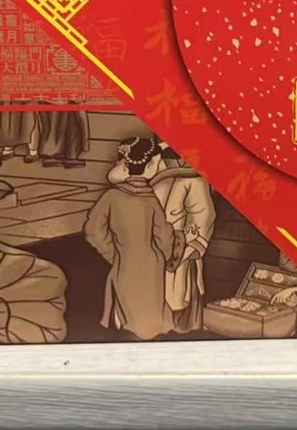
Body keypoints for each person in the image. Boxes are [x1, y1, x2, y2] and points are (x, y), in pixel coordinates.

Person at [83, 137, 176, 340]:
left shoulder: (111, 196)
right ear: (150, 167)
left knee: (129, 315)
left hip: (124, 262)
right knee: (150, 314)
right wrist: (164, 256)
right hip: (152, 263)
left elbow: (93, 230)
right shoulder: (150, 199)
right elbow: (164, 235)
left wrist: (112, 253)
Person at [150, 143, 214, 333]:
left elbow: (203, 219)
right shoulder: (153, 171)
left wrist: (183, 253)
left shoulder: (195, 180)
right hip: (152, 251)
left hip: (181, 255)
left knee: (178, 310)